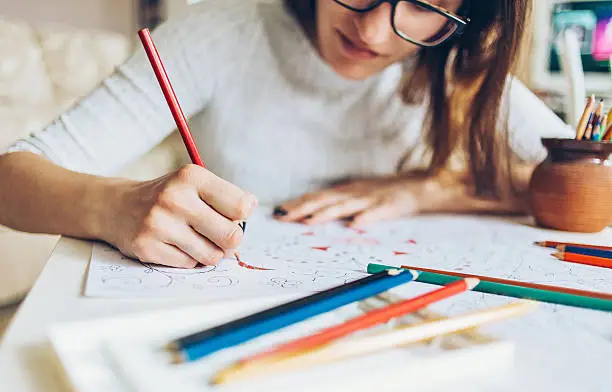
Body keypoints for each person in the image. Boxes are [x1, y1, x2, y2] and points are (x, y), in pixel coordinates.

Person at [0, 0, 572, 268]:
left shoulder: (453, 64)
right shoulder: (222, 34)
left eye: (422, 3)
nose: (372, 28)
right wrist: (116, 205)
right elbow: (11, 176)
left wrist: (427, 188)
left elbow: (601, 182)